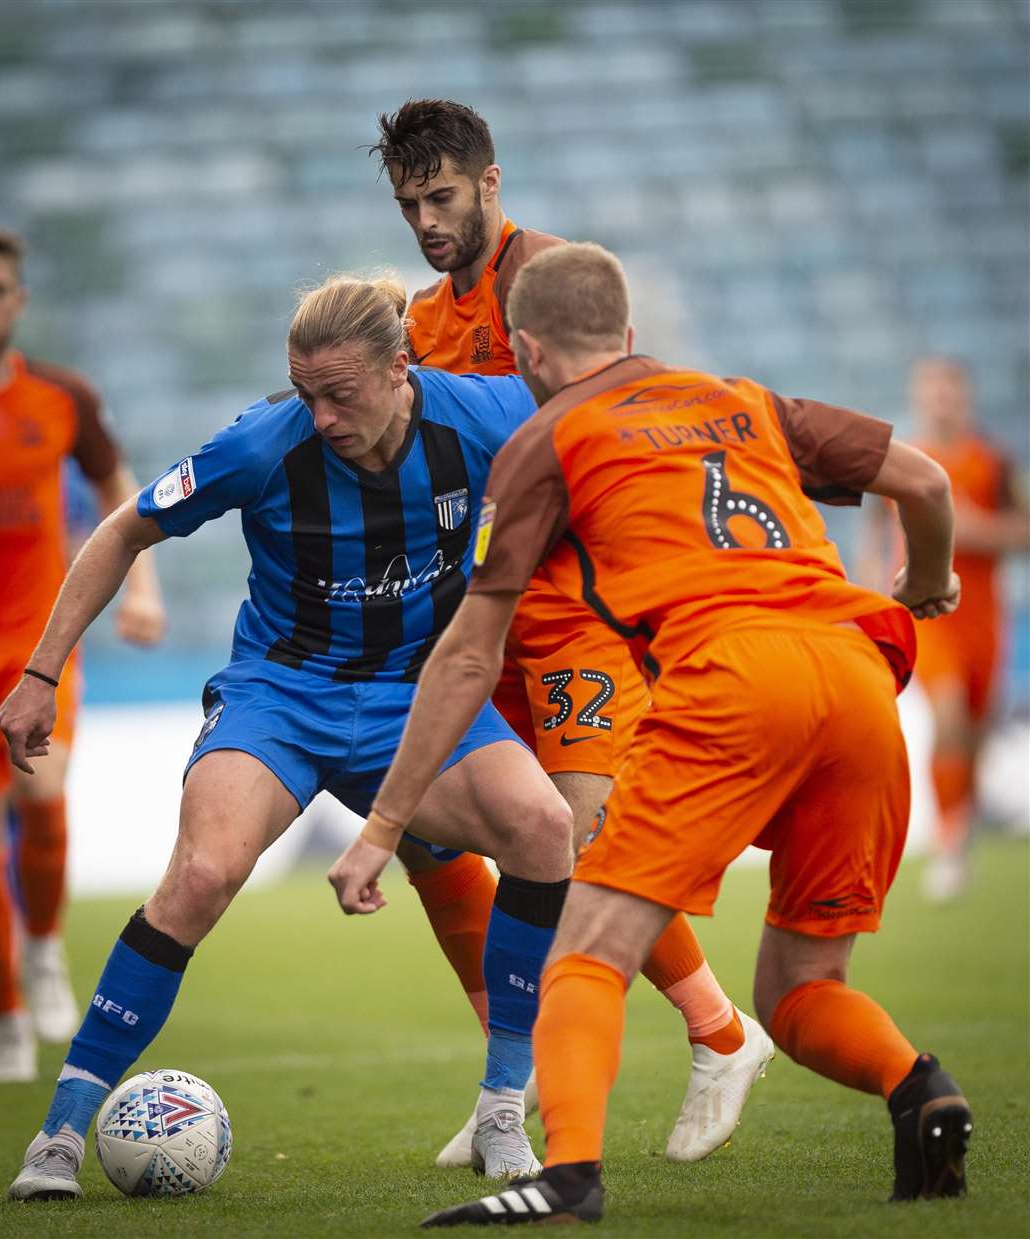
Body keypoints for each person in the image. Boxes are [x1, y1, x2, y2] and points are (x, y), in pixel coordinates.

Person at [328, 243, 972, 1226]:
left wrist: (381, 826)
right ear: (629, 336)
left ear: (528, 349)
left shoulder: (545, 440)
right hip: (856, 674)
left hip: (731, 676)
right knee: (801, 990)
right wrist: (926, 582)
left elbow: (467, 655)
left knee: (585, 945)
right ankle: (919, 1090)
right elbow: (924, 481)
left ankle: (570, 1175)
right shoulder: (747, 399)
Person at [1, 274, 577, 1200]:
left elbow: (603, 446)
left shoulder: (492, 413)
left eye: (338, 394)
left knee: (546, 829)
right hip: (282, 694)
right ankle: (63, 1129)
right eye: (304, 392)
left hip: (416, 702)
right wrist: (41, 671)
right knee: (199, 875)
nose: (317, 416)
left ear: (401, 368)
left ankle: (504, 1111)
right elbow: (122, 530)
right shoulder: (262, 442)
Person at [371, 98, 770, 1167]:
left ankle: (722, 1034)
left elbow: (593, 414)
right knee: (432, 831)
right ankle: (516, 1078)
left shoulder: (547, 282)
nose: (426, 219)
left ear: (491, 185)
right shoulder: (421, 314)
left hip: (575, 617)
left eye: (443, 196)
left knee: (588, 847)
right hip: (485, 615)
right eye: (410, 202)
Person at [0, 222, 165, 1083]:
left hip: (37, 641)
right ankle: (5, 1019)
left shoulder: (62, 397)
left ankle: (43, 949)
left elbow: (119, 487)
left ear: (19, 301)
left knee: (42, 792)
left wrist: (141, 587)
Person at [858, 357, 1029, 900]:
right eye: (931, 391)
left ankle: (961, 827)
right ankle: (950, 846)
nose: (941, 400)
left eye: (950, 391)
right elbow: (876, 531)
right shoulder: (903, 461)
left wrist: (972, 530)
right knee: (949, 715)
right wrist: (867, 595)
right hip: (925, 612)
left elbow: (1021, 531)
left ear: (965, 397)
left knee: (976, 733)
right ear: (919, 397)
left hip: (984, 616)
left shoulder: (994, 463)